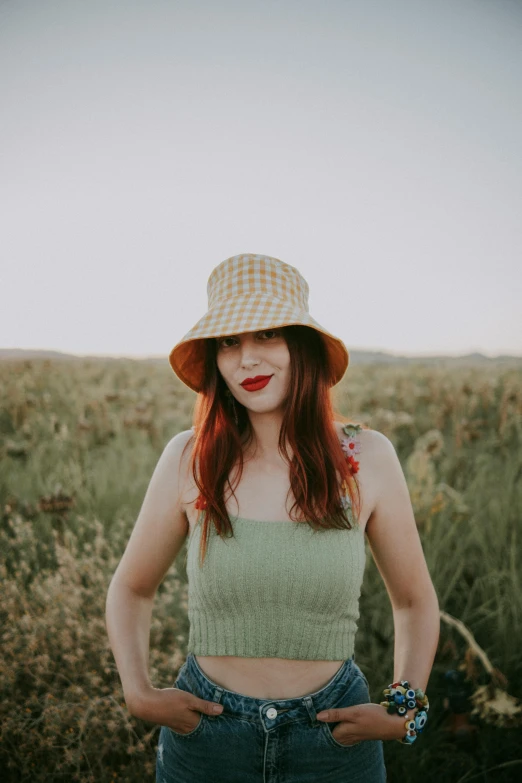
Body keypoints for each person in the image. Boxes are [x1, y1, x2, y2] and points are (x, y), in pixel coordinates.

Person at [105, 253, 440, 783]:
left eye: (266, 335)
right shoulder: (190, 457)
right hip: (207, 741)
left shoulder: (367, 457)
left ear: (300, 347)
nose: (247, 360)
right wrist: (138, 692)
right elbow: (132, 589)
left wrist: (406, 708)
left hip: (332, 741)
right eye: (229, 342)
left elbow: (415, 600)